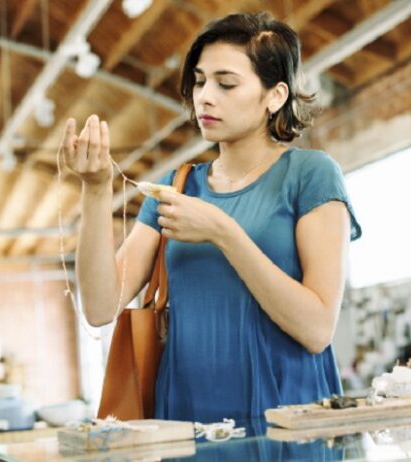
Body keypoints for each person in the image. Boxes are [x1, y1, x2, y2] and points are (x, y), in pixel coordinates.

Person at [61, 11, 361, 423]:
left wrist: (223, 232)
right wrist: (95, 192)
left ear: (275, 95)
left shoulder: (310, 174)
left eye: (226, 83)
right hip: (187, 418)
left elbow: (316, 329)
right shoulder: (177, 188)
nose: (205, 96)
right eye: (200, 81)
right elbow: (98, 307)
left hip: (288, 416)